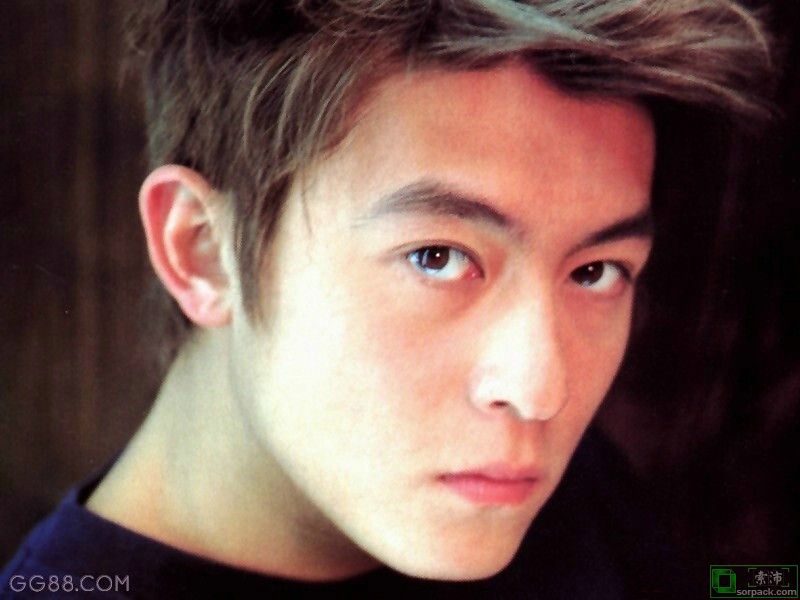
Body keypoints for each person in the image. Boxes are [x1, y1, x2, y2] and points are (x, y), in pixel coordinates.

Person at [1, 1, 773, 597]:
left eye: (595, 271)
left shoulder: (571, 501)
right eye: (438, 258)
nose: (540, 391)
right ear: (202, 250)